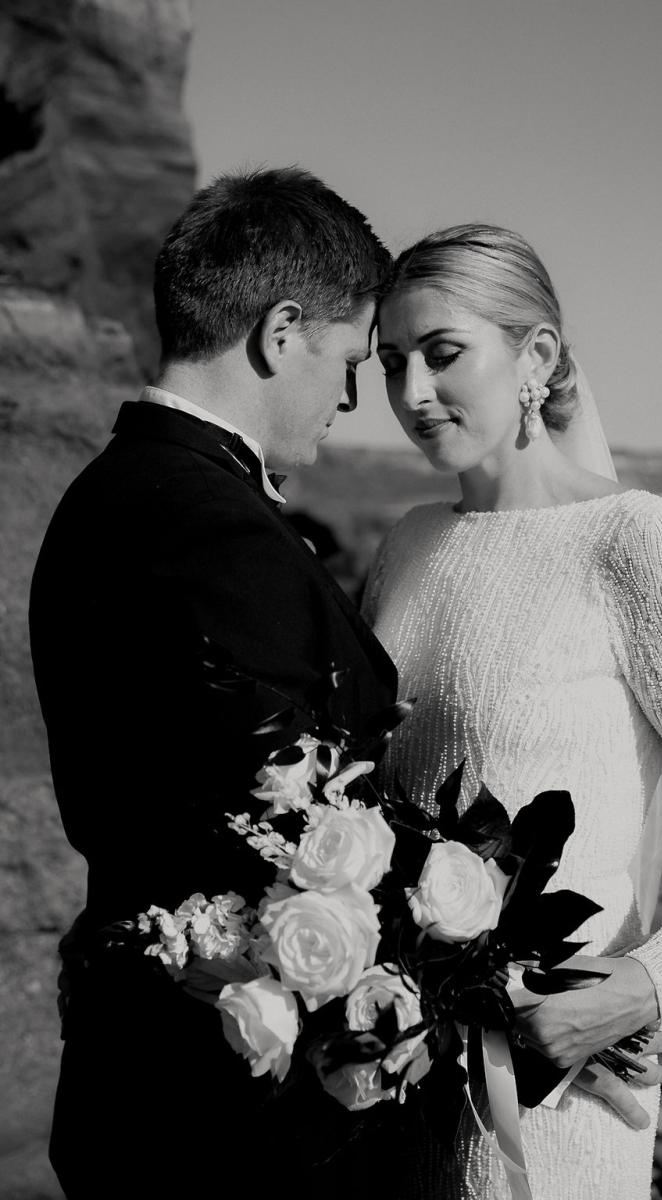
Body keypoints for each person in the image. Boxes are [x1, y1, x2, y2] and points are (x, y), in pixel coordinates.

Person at [363, 224, 662, 1199]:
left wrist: (645, 988)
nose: (410, 395)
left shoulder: (636, 541)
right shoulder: (407, 543)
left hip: (556, 1096)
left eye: (441, 355)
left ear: (538, 357)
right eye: (390, 363)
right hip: (390, 1069)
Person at [29, 167, 401, 1199]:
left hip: (135, 1080)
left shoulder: (109, 494)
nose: (349, 396)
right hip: (228, 1121)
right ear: (281, 333)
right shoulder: (219, 532)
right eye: (346, 359)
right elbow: (283, 837)